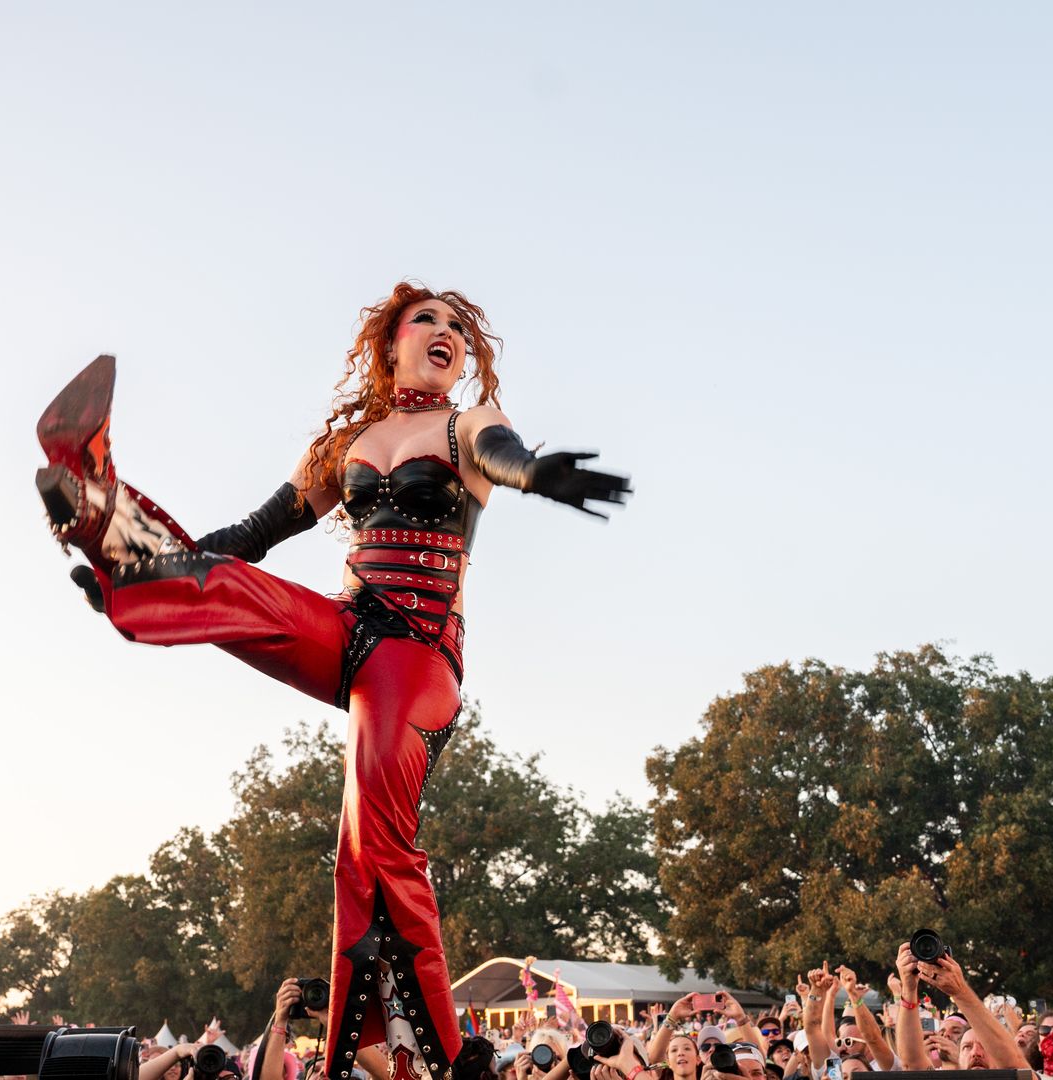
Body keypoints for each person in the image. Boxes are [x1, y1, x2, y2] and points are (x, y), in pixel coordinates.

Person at [32, 283, 631, 1080]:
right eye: (428, 319)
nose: (447, 331)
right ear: (392, 343)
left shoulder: (468, 425)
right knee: (237, 591)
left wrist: (534, 473)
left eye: (458, 326)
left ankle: (441, 1058)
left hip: (416, 653)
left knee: (370, 848)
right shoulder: (345, 445)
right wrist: (149, 574)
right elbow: (252, 536)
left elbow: (501, 454)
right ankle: (102, 513)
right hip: (348, 629)